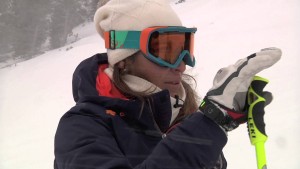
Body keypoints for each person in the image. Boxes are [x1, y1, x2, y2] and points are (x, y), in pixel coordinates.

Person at [54, 0, 281, 168]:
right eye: (167, 50)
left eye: (185, 49)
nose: (181, 66)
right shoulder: (82, 126)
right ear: (123, 60)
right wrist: (213, 119)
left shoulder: (185, 116)